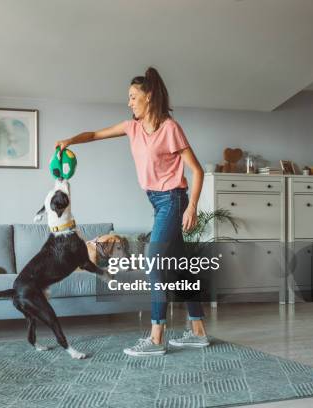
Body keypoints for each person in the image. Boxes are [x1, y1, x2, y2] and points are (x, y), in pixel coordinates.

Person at [55, 67, 209, 356]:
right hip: (157, 201)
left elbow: (197, 171)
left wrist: (192, 207)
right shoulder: (132, 127)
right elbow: (95, 134)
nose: (129, 102)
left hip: (173, 200)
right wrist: (70, 140)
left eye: (133, 97)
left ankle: (155, 339)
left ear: (148, 97)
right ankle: (198, 331)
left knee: (154, 261)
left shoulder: (170, 129)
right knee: (181, 267)